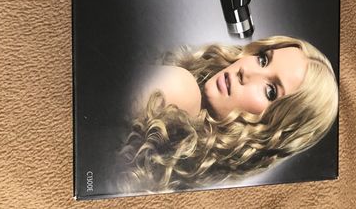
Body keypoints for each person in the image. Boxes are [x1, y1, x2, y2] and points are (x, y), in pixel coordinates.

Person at [117, 34, 338, 193]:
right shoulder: (182, 88)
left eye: (270, 91)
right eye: (262, 59)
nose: (246, 72)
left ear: (274, 132)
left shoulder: (181, 88)